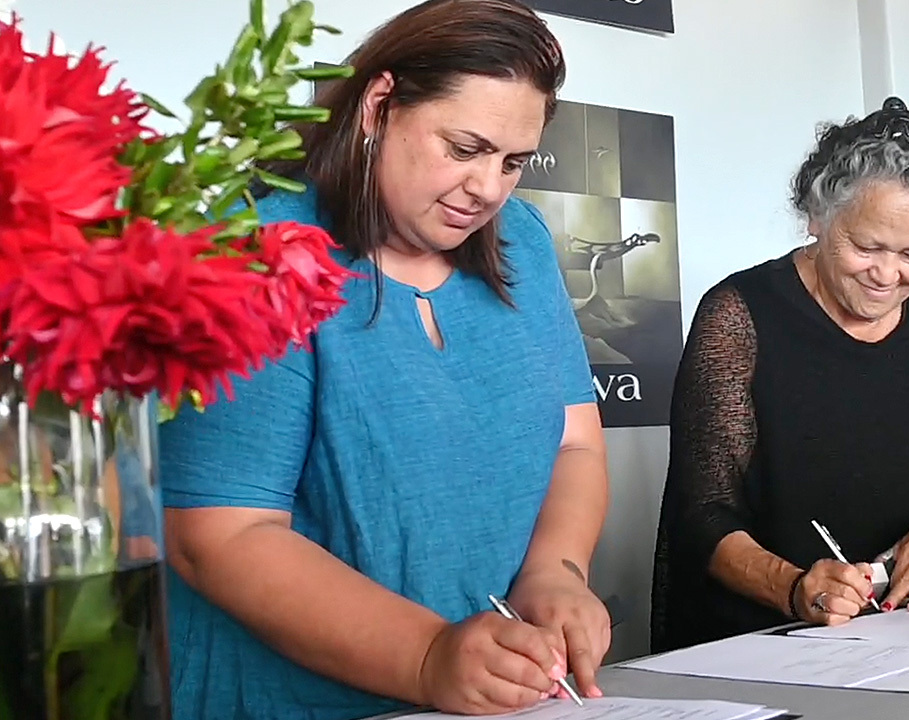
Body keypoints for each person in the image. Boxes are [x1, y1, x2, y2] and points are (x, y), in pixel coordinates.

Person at [159, 3, 612, 719]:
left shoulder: (520, 240)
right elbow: (219, 537)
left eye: (513, 162)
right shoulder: (256, 243)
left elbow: (576, 443)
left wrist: (554, 575)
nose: (489, 188)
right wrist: (429, 655)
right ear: (379, 107)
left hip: (485, 700)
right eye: (465, 149)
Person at [650, 97, 909, 652]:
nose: (887, 274)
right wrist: (795, 586)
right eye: (867, 246)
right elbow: (702, 516)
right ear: (818, 218)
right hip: (772, 643)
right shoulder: (739, 314)